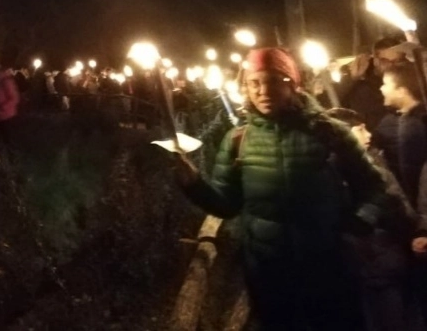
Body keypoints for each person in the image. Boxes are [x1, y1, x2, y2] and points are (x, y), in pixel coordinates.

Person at [173, 47, 390, 330]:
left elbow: (374, 186)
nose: (264, 90)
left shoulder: (330, 132)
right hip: (270, 276)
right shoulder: (239, 139)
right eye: (255, 83)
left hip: (329, 268)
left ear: (292, 84)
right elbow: (227, 204)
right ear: (246, 88)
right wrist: (194, 184)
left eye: (274, 81)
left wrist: (358, 224)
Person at [326, 107, 425, 331]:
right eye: (360, 129)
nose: (369, 134)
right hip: (377, 260)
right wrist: (413, 230)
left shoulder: (371, 161)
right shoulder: (354, 172)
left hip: (388, 257)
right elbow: (394, 205)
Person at [375, 61, 427, 208]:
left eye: (385, 84)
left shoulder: (414, 125)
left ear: (402, 91)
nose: (381, 88)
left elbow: (412, 171)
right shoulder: (406, 120)